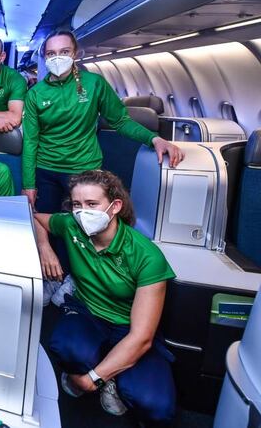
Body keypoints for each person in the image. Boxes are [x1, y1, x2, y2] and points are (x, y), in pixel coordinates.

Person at [33, 170, 176, 425]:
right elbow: (37, 219)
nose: (82, 212)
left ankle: (107, 375)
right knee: (66, 347)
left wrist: (92, 380)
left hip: (129, 327)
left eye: (91, 204)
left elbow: (141, 337)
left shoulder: (147, 256)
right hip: (88, 313)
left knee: (156, 406)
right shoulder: (71, 225)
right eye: (77, 204)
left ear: (115, 206)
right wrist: (46, 250)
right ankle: (99, 364)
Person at [21, 30, 184, 214]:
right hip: (46, 169)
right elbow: (30, 141)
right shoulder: (35, 93)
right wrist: (28, 184)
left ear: (74, 53)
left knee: (85, 226)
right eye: (51, 53)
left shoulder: (94, 84)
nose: (57, 57)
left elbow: (121, 121)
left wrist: (154, 139)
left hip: (84, 169)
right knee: (47, 224)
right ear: (44, 57)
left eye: (64, 52)